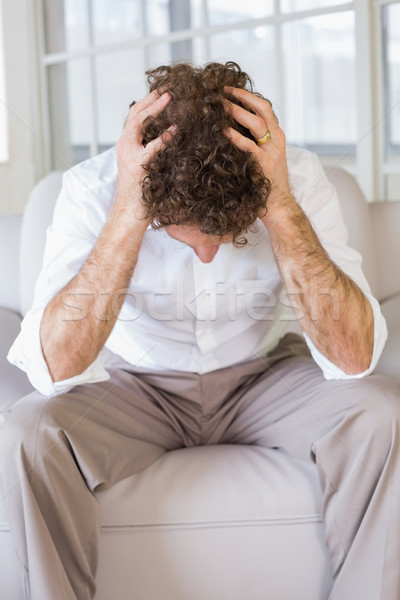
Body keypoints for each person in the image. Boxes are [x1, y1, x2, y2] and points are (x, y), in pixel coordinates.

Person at [0, 61, 399, 600]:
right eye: (189, 237)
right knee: (30, 434)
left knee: (384, 415)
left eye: (228, 236)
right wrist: (128, 212)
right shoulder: (94, 188)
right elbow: (53, 369)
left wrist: (279, 205)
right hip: (130, 386)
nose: (210, 255)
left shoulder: (294, 177)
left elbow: (354, 358)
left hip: (261, 376)